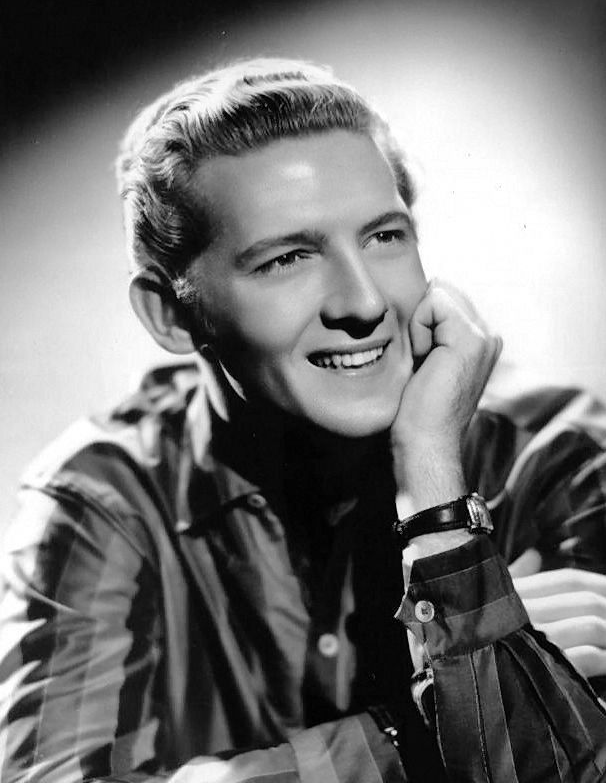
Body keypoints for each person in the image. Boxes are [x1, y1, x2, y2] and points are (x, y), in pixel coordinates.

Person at [2, 57, 606, 783]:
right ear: (170, 315)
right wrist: (421, 721)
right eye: (287, 258)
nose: (364, 303)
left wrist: (433, 482)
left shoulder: (558, 454)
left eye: (384, 237)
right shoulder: (104, 500)